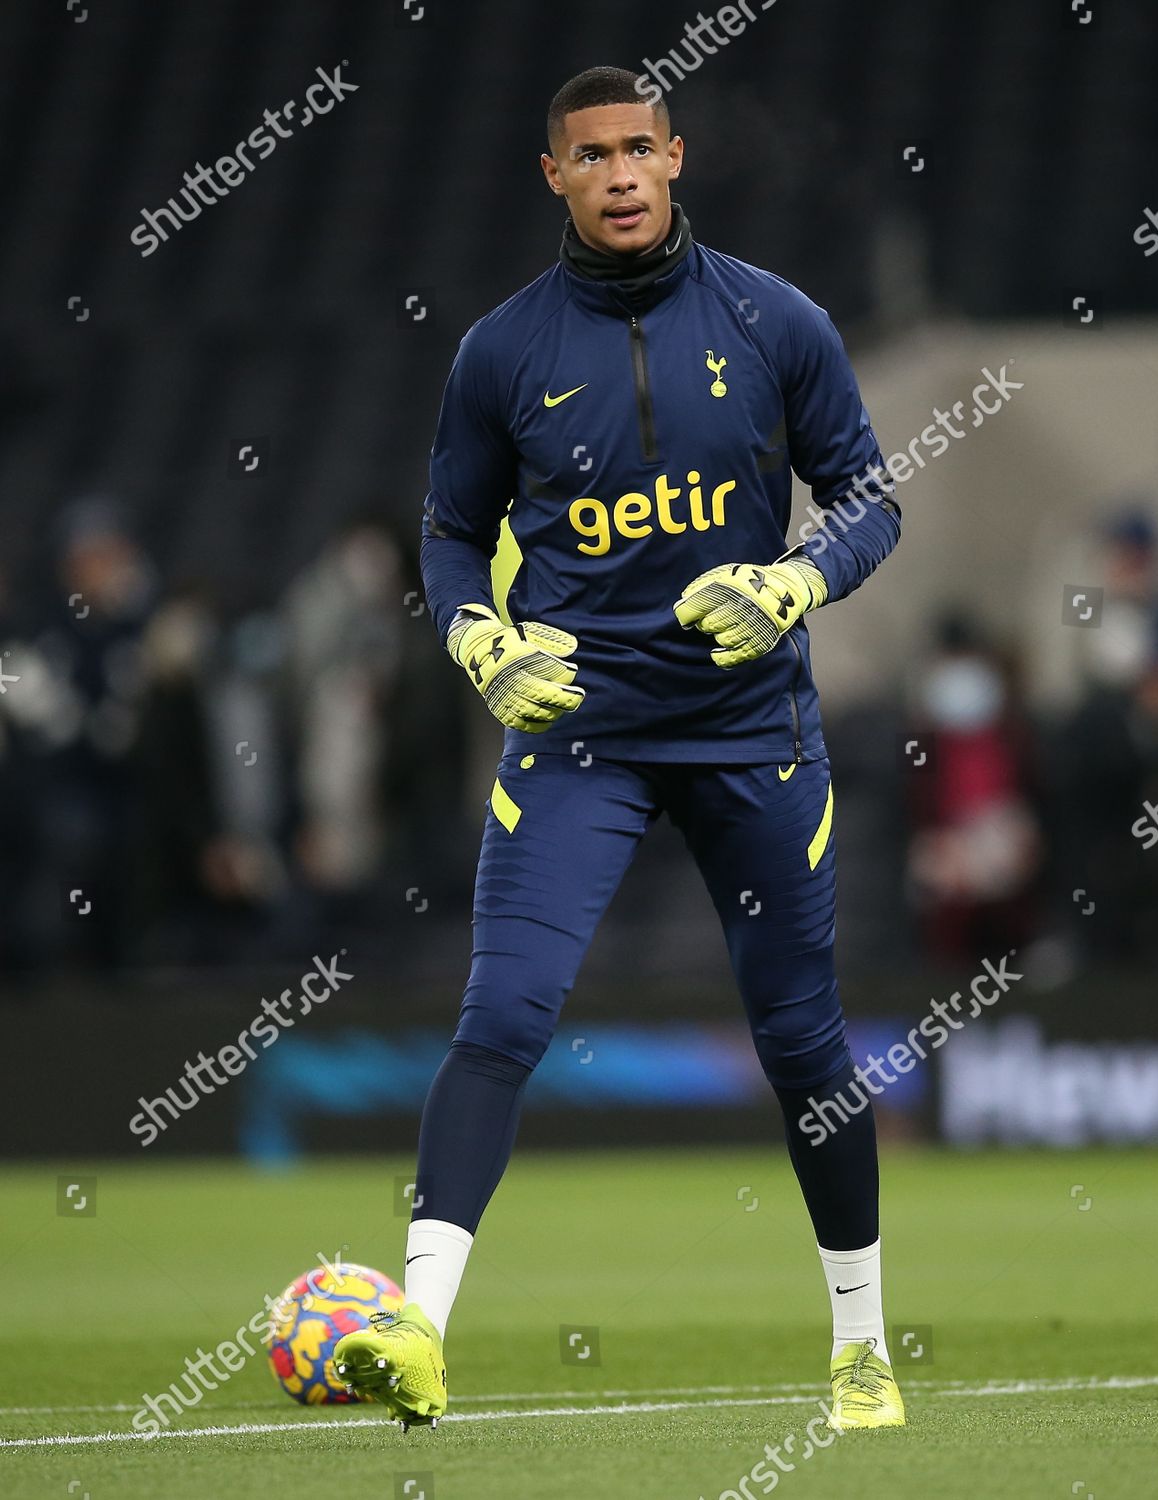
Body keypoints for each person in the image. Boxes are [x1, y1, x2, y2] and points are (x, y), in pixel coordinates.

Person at [336, 66, 904, 1433]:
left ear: (677, 155)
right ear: (557, 177)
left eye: (641, 148)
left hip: (750, 731)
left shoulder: (779, 321)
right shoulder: (501, 353)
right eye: (592, 156)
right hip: (581, 737)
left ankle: (863, 1348)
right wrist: (477, 640)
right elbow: (450, 532)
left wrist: (796, 584)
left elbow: (869, 497)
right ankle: (416, 1329)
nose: (622, 174)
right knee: (502, 1020)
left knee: (804, 1045)